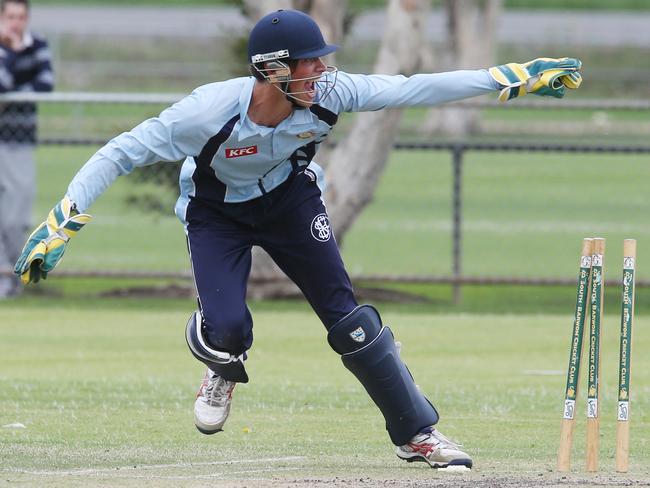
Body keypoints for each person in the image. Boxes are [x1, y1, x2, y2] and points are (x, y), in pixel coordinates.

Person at [14, 10, 582, 469]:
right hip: (216, 214)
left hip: (290, 202)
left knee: (350, 322)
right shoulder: (205, 112)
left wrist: (511, 76)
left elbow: (416, 88)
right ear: (272, 69)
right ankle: (221, 361)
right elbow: (119, 152)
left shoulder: (332, 94)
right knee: (230, 328)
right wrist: (64, 220)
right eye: (309, 63)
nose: (322, 73)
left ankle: (419, 435)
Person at [0, 0, 53, 298]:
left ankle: (13, 275)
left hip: (17, 140)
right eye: (10, 17)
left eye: (21, 17)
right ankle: (2, 280)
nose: (16, 23)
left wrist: (9, 54)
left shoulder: (38, 45)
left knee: (14, 217)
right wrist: (7, 52)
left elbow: (45, 84)